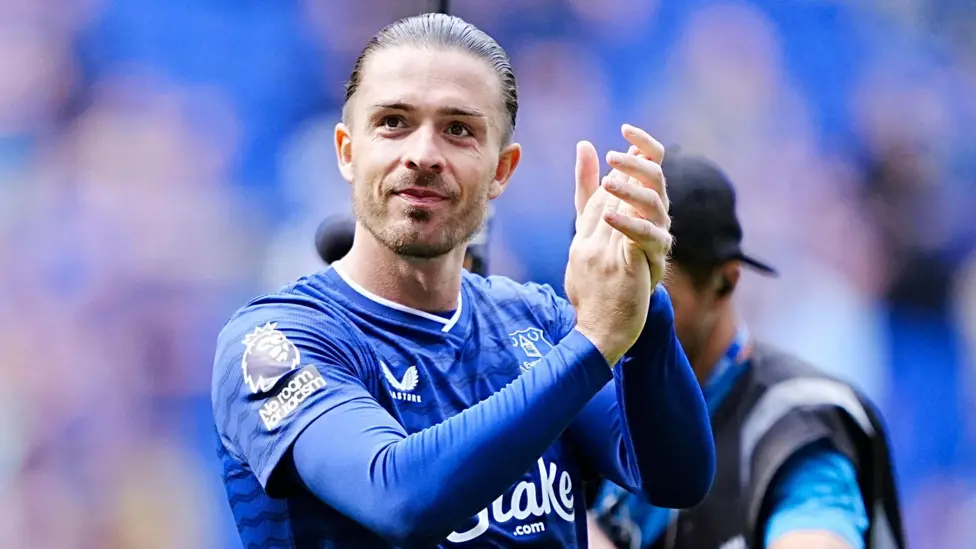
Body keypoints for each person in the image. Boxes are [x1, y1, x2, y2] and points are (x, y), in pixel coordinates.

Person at [212, 13, 715, 549]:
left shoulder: (537, 322)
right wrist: (594, 342)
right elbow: (399, 499)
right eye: (393, 122)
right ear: (347, 151)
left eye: (458, 129)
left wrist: (642, 301)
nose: (424, 155)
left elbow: (674, 479)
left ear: (502, 170)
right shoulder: (275, 342)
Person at [587, 151, 906, 549]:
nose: (620, 313)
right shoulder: (583, 402)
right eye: (606, 282)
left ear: (725, 282)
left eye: (650, 295)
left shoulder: (796, 424)